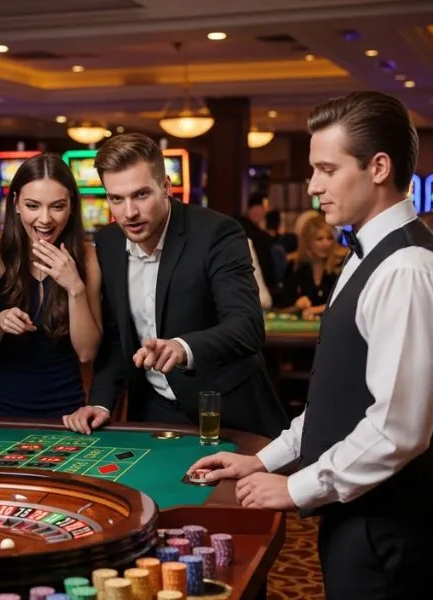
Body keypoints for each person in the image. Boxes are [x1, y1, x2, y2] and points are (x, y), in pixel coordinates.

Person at [188, 91, 433, 599]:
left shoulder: (408, 270)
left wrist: (294, 486)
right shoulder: (367, 253)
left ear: (378, 167)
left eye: (327, 169)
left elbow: (398, 428)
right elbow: (339, 397)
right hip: (359, 509)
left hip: (393, 525)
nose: (313, 186)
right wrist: (268, 459)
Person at [63, 133, 288, 438]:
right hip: (153, 410)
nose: (129, 213)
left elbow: (247, 327)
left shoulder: (217, 233)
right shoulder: (109, 241)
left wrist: (183, 348)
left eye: (141, 195)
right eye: (116, 198)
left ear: (166, 187)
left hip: (224, 408)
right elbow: (117, 336)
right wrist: (101, 403)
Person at [0, 153, 102, 419]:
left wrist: (74, 287)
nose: (45, 219)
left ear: (71, 207)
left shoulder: (89, 257)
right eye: (33, 205)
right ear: (16, 204)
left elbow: (87, 353)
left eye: (57, 206)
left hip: (67, 410)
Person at [278, 215, 342, 319]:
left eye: (329, 238)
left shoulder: (340, 266)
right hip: (301, 331)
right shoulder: (294, 267)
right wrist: (297, 306)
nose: (326, 243)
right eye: (319, 239)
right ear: (308, 242)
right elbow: (283, 307)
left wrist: (317, 310)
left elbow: (345, 304)